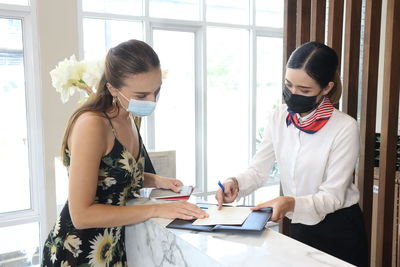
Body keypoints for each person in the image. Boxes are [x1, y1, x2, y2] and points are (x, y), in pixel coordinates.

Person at [42, 39, 208, 266]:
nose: (152, 101)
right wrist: (158, 209)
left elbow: (113, 174)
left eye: (156, 91)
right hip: (77, 252)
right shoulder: (92, 125)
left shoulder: (130, 115)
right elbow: (81, 215)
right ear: (112, 88)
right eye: (142, 95)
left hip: (111, 247)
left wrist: (156, 180)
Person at [216, 41, 368, 266]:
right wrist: (236, 183)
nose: (293, 94)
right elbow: (258, 170)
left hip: (339, 229)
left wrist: (289, 202)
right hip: (299, 226)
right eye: (288, 85)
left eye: (304, 90)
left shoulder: (344, 127)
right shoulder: (278, 117)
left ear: (326, 88)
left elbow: (333, 196)